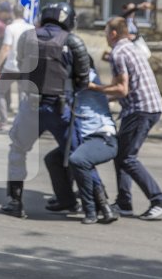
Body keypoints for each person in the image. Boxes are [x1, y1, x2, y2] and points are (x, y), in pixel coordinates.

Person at [0, 2, 90, 218]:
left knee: (18, 150)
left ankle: (15, 201)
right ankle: (92, 203)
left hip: (30, 106)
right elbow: (83, 79)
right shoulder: (72, 40)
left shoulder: (26, 37)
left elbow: (22, 66)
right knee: (76, 154)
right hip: (61, 107)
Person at [89, 17, 162, 220]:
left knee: (127, 157)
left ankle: (159, 199)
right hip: (148, 107)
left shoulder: (118, 52)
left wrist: (94, 89)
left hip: (140, 110)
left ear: (114, 33)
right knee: (121, 154)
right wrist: (107, 97)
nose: (105, 37)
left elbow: (122, 89)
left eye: (106, 32)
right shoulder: (132, 47)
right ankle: (124, 202)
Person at [68, 59, 119, 224]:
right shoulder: (78, 78)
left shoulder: (86, 77)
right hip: (89, 137)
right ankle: (65, 200)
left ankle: (91, 209)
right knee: (53, 158)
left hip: (102, 137)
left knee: (79, 159)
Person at [0, 3, 34, 132]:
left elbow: (6, 48)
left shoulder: (10, 28)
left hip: (11, 66)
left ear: (13, 14)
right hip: (25, 67)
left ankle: (3, 122)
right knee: (23, 94)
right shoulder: (31, 28)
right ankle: (21, 122)